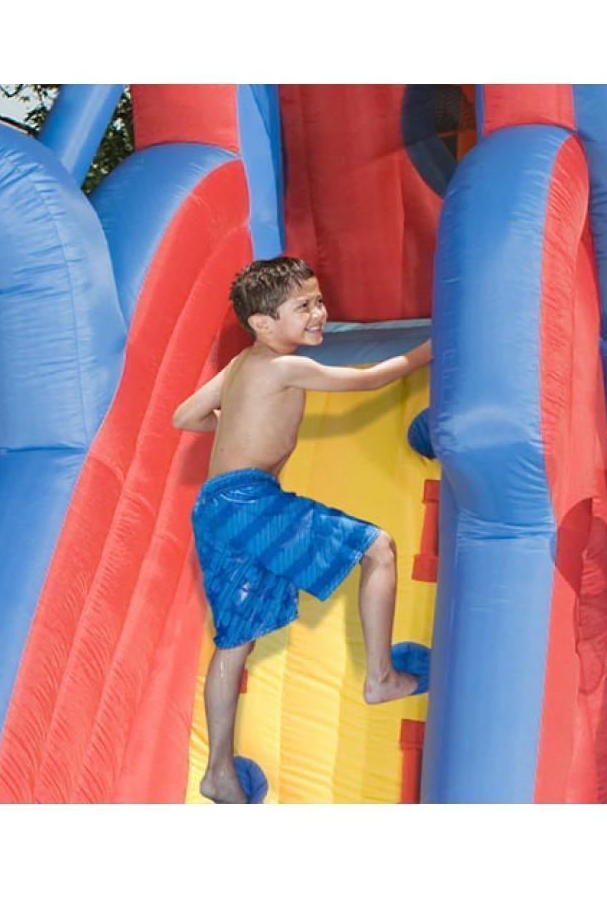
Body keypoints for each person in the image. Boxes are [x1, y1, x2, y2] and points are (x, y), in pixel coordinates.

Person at [172, 256, 432, 803]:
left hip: (215, 506)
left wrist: (237, 423)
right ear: (263, 323)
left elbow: (185, 416)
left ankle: (218, 772)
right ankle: (381, 678)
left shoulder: (242, 364)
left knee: (235, 639)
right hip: (250, 500)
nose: (319, 313)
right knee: (378, 548)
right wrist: (437, 346)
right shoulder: (284, 367)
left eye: (318, 301)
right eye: (304, 307)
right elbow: (370, 378)